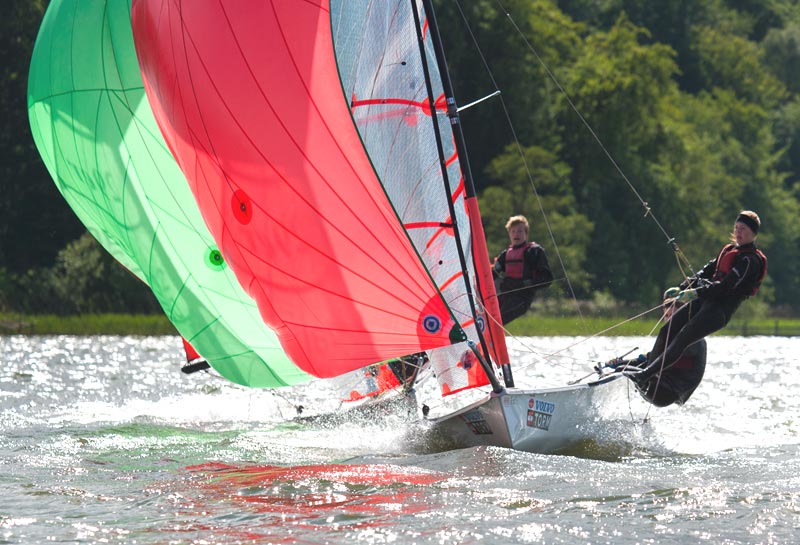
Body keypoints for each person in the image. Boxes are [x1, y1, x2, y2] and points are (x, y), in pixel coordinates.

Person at [624, 210, 767, 391]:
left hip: (719, 311)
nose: (738, 232)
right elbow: (705, 271)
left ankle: (644, 375)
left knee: (683, 338)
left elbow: (725, 287)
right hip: (704, 300)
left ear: (753, 233)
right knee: (667, 331)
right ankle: (648, 372)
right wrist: (683, 287)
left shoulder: (750, 261)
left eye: (743, 229)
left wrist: (695, 293)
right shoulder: (729, 250)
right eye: (736, 228)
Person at [609, 296, 707, 406]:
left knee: (622, 370)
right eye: (666, 316)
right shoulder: (675, 337)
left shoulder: (694, 338)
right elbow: (650, 360)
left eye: (673, 315)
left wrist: (623, 366)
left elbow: (665, 358)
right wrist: (620, 362)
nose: (669, 319)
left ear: (682, 316)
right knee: (622, 368)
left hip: (669, 391)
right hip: (662, 385)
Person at [492, 215, 553, 324]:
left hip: (522, 297)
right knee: (488, 317)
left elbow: (547, 278)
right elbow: (492, 275)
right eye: (513, 231)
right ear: (509, 234)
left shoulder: (534, 252)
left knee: (497, 321)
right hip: (506, 294)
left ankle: (490, 338)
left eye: (520, 231)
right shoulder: (505, 254)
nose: (516, 234)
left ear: (526, 233)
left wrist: (530, 283)